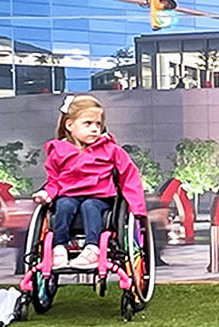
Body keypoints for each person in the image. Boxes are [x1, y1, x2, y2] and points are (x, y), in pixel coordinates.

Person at [32, 94, 147, 269]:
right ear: (69, 125)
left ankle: (92, 249)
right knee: (63, 205)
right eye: (88, 123)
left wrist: (137, 209)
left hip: (100, 198)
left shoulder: (111, 150)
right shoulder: (58, 151)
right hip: (68, 196)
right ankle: (59, 248)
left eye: (98, 124)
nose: (94, 129)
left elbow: (129, 177)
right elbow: (54, 181)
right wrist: (46, 194)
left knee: (90, 206)